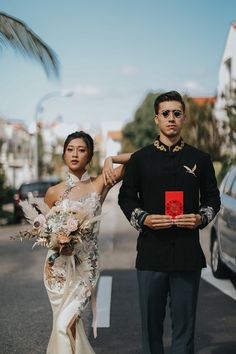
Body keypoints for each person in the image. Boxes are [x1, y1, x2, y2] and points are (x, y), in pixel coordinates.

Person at [118, 91, 221, 354]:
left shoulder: (200, 159)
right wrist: (144, 218)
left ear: (184, 118)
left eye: (177, 113)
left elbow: (212, 198)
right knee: (151, 330)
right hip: (151, 255)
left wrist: (201, 217)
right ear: (156, 119)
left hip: (187, 255)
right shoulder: (139, 159)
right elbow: (126, 198)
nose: (171, 118)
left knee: (185, 331)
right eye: (166, 113)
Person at [44, 130, 131, 354]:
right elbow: (43, 231)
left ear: (90, 156)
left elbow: (139, 157)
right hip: (56, 269)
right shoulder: (52, 193)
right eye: (70, 149)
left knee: (65, 323)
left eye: (81, 150)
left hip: (85, 267)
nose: (75, 154)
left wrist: (110, 159)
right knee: (66, 325)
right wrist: (58, 239)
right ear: (64, 154)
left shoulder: (99, 184)